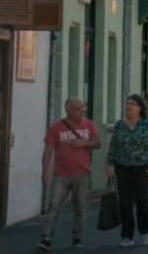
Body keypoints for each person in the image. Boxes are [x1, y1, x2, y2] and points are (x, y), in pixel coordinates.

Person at [38, 98, 101, 251]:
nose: (83, 111)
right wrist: (45, 171)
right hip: (61, 175)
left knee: (80, 207)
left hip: (83, 173)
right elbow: (48, 150)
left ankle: (77, 237)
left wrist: (84, 143)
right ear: (70, 110)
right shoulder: (57, 127)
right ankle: (46, 238)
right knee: (54, 207)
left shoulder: (89, 124)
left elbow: (98, 143)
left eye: (83, 108)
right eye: (79, 109)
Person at [106, 94, 148, 247]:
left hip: (142, 167)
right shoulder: (119, 125)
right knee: (124, 202)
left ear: (140, 108)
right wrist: (109, 164)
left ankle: (144, 231)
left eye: (132, 104)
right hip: (122, 167)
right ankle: (127, 235)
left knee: (141, 200)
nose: (128, 107)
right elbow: (113, 146)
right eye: (127, 103)